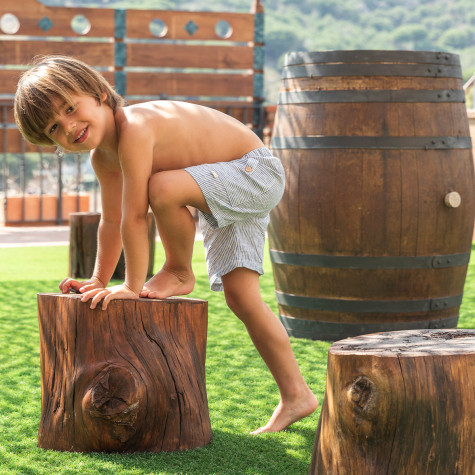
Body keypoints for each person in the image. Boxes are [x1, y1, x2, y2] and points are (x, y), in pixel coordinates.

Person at [14, 55, 318, 435]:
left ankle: (178, 270)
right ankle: (297, 395)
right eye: (55, 128)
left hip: (253, 172)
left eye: (71, 108)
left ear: (98, 94)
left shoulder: (136, 128)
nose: (69, 126)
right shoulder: (102, 158)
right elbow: (110, 221)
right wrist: (97, 278)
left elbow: (136, 216)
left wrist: (130, 287)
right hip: (223, 185)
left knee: (162, 188)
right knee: (243, 298)